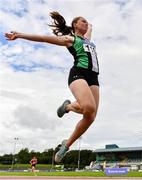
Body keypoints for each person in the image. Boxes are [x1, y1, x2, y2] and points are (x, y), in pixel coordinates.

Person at [5, 11, 100, 163]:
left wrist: (90, 26)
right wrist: (20, 35)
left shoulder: (88, 39)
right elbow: (43, 38)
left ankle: (66, 145)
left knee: (91, 116)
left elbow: (89, 30)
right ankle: (68, 107)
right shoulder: (70, 39)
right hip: (79, 74)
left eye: (87, 22)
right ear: (75, 25)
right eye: (83, 21)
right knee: (88, 107)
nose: (86, 23)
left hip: (94, 77)